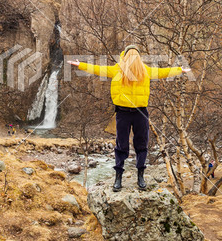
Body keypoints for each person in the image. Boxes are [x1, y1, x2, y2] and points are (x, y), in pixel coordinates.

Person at [67, 45, 191, 192]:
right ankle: (119, 177)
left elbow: (163, 72)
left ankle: (140, 176)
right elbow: (98, 69)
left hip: (140, 113)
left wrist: (179, 70)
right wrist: (80, 64)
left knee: (139, 144)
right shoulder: (118, 69)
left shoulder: (145, 71)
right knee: (123, 144)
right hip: (123, 113)